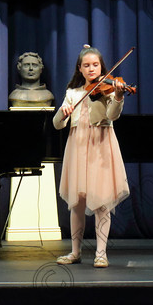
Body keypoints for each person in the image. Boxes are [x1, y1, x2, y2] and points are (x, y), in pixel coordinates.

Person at [52, 45, 130, 268]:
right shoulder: (73, 94)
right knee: (77, 202)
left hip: (100, 145)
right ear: (80, 69)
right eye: (87, 65)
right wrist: (62, 113)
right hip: (77, 146)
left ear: (101, 67)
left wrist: (118, 96)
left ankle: (101, 253)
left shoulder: (108, 89)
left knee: (101, 201)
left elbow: (112, 115)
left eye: (95, 64)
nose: (91, 68)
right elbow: (57, 125)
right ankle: (75, 252)